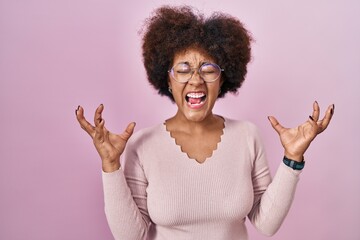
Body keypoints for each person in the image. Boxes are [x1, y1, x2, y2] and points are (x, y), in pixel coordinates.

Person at [75, 5, 334, 240]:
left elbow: (266, 224)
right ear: (167, 79)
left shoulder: (247, 136)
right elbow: (130, 237)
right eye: (183, 69)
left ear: (223, 78)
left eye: (208, 69)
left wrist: (292, 158)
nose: (196, 80)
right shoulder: (142, 145)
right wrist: (110, 165)